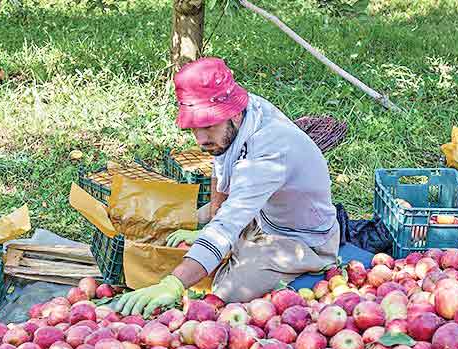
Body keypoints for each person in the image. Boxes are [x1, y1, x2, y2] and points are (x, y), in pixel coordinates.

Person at [114, 57, 339, 316]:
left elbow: (231, 220)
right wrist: (209, 224)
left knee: (228, 292)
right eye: (194, 129)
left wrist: (174, 284)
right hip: (262, 216)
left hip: (300, 239)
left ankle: (307, 267)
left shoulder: (268, 151)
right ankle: (229, 248)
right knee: (192, 236)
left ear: (233, 113)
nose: (200, 140)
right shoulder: (243, 114)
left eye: (208, 126)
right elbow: (221, 166)